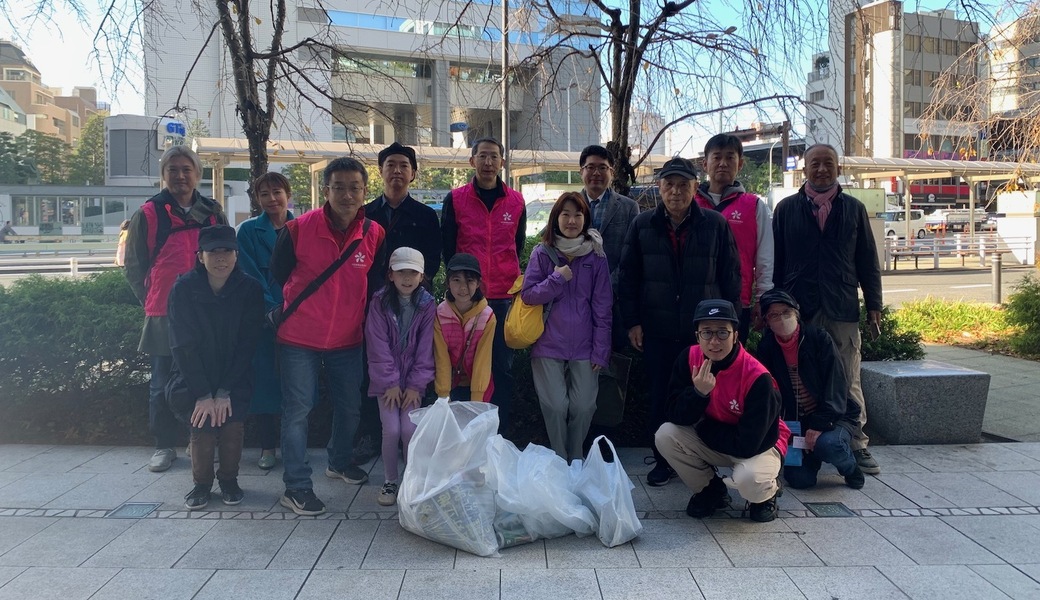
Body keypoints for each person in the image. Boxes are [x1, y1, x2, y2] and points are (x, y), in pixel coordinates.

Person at [270, 157, 386, 516]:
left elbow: (377, 280)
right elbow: (278, 274)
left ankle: (338, 461)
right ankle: (297, 486)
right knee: (297, 412)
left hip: (347, 339)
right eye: (339, 187)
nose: (347, 194)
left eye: (355, 187)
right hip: (299, 338)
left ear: (366, 192)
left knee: (350, 407)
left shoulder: (374, 234)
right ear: (326, 191)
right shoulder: (298, 229)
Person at [618, 156, 742, 487]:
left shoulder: (715, 224)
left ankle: (705, 461)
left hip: (705, 335)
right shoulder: (642, 225)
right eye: (669, 185)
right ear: (659, 188)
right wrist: (632, 322)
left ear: (694, 188)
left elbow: (731, 278)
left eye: (683, 185)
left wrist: (732, 327)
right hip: (656, 330)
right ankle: (663, 460)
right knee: (659, 396)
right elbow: (628, 279)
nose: (675, 192)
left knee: (706, 397)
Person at [772, 143, 884, 475]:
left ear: (838, 167)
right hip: (799, 309)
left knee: (849, 377)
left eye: (829, 163)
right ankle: (799, 447)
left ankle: (857, 444)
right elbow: (775, 261)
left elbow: (868, 261)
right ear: (804, 169)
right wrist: (772, 306)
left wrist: (874, 305)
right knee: (798, 379)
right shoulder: (786, 209)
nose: (822, 169)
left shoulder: (853, 208)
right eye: (815, 164)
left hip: (841, 307)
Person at [125, 146, 227, 472]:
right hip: (162, 313)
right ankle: (162, 445)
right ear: (164, 174)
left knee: (204, 378)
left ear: (197, 173)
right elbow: (134, 265)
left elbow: (226, 257)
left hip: (206, 311)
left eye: (186, 169)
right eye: (173, 170)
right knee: (159, 382)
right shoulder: (149, 213)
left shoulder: (212, 212)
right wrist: (151, 299)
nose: (180, 176)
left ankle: (199, 439)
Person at [655, 299, 789, 523]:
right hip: (723, 437)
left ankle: (767, 494)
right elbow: (674, 414)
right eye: (706, 332)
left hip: (761, 444)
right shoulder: (689, 359)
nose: (714, 341)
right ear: (697, 335)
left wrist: (704, 427)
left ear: (736, 335)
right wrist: (698, 394)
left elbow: (748, 445)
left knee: (749, 478)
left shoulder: (757, 376)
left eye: (722, 333)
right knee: (666, 435)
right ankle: (711, 490)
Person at [355, 142, 442, 465]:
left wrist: (414, 291)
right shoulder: (366, 214)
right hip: (371, 301)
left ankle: (411, 435)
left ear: (414, 174)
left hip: (412, 302)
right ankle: (371, 433)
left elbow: (433, 259)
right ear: (381, 172)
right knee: (374, 364)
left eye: (404, 165)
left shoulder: (425, 216)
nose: (397, 171)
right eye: (390, 164)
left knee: (416, 355)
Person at [166, 225, 264, 510]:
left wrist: (224, 390)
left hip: (235, 373)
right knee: (203, 421)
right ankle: (201, 484)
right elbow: (182, 345)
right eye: (213, 253)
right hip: (193, 373)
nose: (221, 259)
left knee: (232, 421)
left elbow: (248, 343)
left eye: (227, 252)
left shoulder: (249, 289)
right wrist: (203, 393)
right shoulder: (183, 289)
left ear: (236, 255)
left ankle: (230, 480)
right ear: (200, 256)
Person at [441, 138, 526, 431]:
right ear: (472, 161)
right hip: (467, 297)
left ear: (502, 163)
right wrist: (459, 287)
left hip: (502, 297)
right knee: (463, 366)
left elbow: (518, 244)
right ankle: (464, 428)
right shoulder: (455, 199)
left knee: (501, 366)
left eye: (494, 157)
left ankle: (498, 430)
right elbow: (448, 247)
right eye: (483, 156)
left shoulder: (516, 201)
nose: (488, 162)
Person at [521, 192, 612, 462]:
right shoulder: (543, 253)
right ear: (555, 218)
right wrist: (556, 279)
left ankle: (576, 456)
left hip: (585, 344)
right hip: (548, 341)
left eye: (578, 214)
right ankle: (560, 459)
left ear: (585, 219)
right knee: (555, 406)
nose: (571, 220)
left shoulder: (596, 255)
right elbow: (528, 295)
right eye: (565, 214)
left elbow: (603, 306)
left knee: (584, 406)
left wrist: (601, 350)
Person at [755, 289, 865, 490]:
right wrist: (783, 431)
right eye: (773, 314)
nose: (781, 318)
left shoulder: (818, 338)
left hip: (835, 415)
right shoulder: (767, 347)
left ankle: (849, 467)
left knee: (829, 445)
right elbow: (768, 393)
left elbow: (837, 384)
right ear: (767, 321)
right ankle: (812, 455)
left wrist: (819, 424)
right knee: (799, 480)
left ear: (796, 312)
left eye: (786, 311)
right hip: (797, 423)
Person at [364, 247, 436, 507]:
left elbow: (427, 349)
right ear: (391, 275)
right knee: (391, 429)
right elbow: (377, 345)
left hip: (414, 382)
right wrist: (390, 383)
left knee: (409, 429)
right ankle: (390, 480)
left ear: (422, 276)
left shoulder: (428, 305)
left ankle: (412, 480)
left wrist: (417, 385)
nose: (407, 278)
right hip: (387, 383)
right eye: (401, 272)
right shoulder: (379, 302)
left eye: (413, 272)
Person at [236, 172, 294, 470]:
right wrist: (274, 308)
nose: (272, 199)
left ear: (288, 194)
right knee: (266, 382)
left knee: (296, 384)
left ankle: (294, 446)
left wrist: (293, 307)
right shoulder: (246, 231)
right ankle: (267, 447)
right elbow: (248, 274)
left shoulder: (302, 227)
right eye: (265, 194)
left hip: (298, 316)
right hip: (263, 318)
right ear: (257, 199)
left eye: (277, 192)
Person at [694, 134, 774, 342]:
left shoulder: (754, 206)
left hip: (738, 302)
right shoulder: (690, 204)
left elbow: (765, 257)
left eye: (730, 158)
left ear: (740, 164)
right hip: (695, 300)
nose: (723, 163)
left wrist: (762, 299)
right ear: (705, 163)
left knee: (732, 366)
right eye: (716, 157)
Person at [433, 253, 496, 402]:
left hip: (478, 384)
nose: (463, 287)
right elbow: (441, 357)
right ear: (448, 282)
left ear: (478, 283)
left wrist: (477, 400)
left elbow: (483, 359)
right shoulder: (440, 314)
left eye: (469, 280)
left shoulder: (487, 317)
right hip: (450, 384)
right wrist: (443, 396)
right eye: (456, 280)